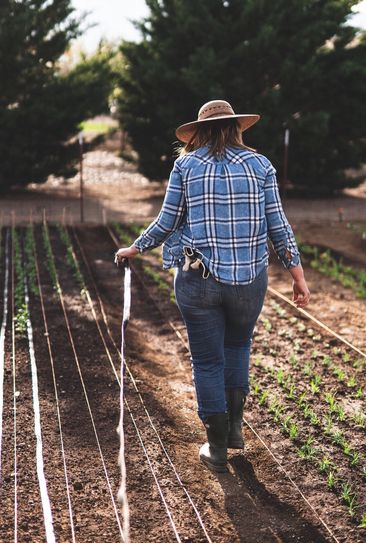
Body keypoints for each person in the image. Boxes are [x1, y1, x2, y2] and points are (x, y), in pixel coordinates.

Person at [115, 99, 310, 473]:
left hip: (198, 279)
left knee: (207, 361)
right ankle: (235, 429)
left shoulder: (186, 166)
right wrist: (297, 275)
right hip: (250, 280)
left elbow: (167, 221)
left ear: (200, 131)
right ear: (237, 128)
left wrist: (136, 247)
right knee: (238, 345)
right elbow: (278, 226)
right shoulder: (260, 165)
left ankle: (217, 446)